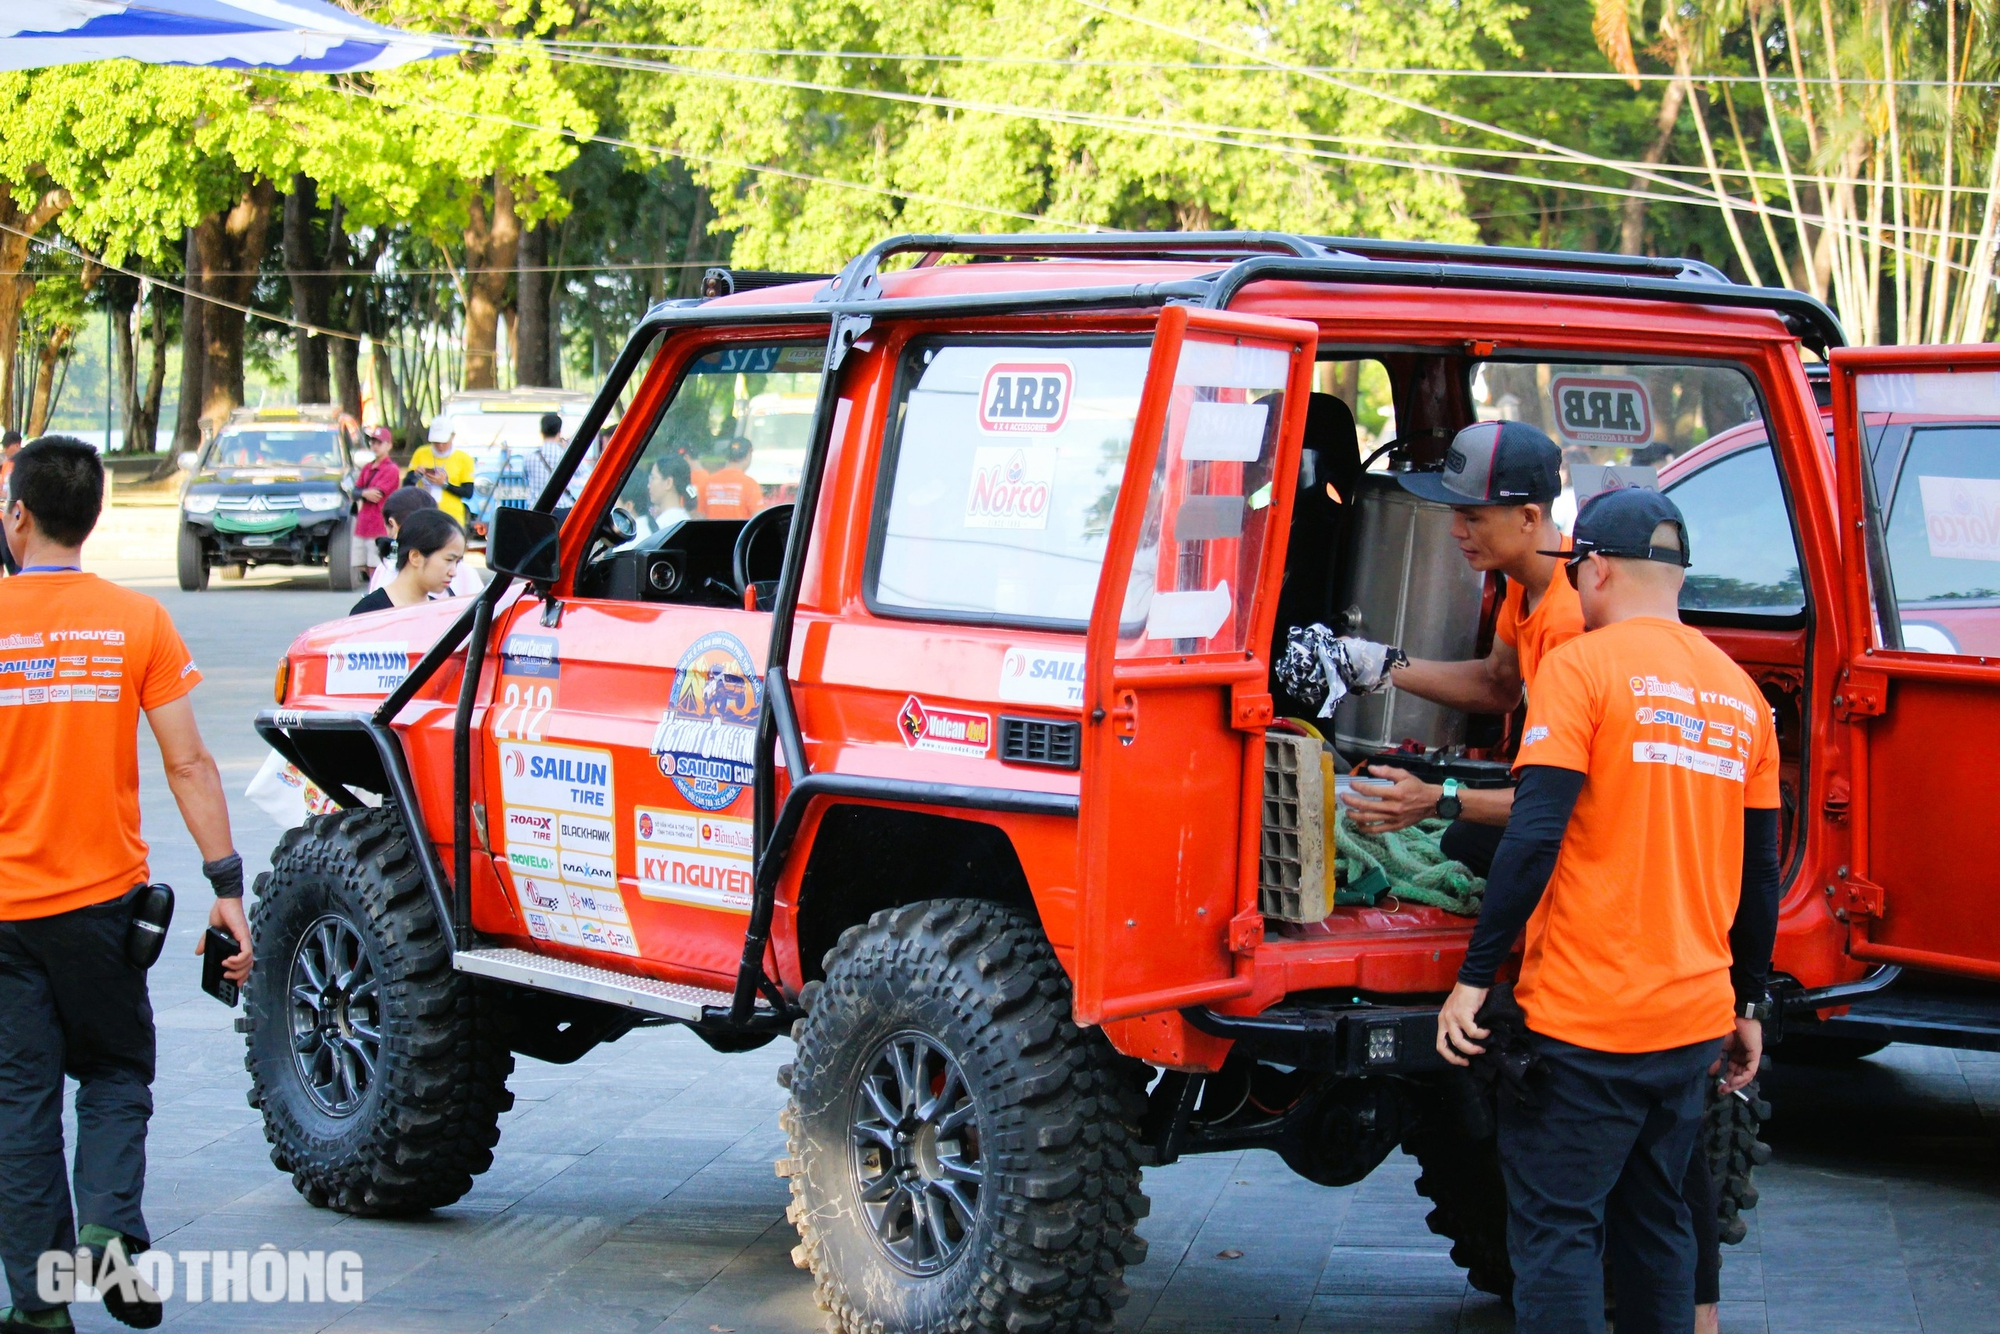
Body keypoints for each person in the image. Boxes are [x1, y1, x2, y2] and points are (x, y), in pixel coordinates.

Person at [1435, 487, 1783, 1334]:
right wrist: (1747, 1001)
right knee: (1659, 1224)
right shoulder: (1741, 696)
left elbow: (1532, 837)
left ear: (1593, 569)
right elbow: (1761, 874)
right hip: (1689, 1023)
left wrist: (1474, 980)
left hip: (1585, 1023)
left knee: (1558, 1232)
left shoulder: (1581, 670)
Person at [0, 437, 254, 1334]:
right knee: (112, 1070)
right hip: (103, 905)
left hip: (2, 919)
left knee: (17, 1102)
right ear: (93, 516)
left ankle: (38, 1308)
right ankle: (106, 1225)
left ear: (17, 514)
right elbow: (188, 763)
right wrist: (227, 885)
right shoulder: (135, 622)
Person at [1309, 420, 1578, 876]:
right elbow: (1497, 685)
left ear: (1529, 518)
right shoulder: (1528, 583)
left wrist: (1435, 801)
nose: (1455, 530)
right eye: (1455, 513)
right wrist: (1377, 663)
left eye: (1472, 517)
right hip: (1548, 801)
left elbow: (1563, 805)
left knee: (1463, 841)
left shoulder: (1571, 621)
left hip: (1584, 833)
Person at [367, 489, 482, 599]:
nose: (453, 572)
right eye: (449, 559)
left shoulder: (386, 570)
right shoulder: (466, 573)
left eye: (453, 560)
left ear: (392, 524)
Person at [350, 509, 468, 616]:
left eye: (457, 562)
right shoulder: (369, 613)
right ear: (415, 557)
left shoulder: (442, 613)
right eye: (449, 560)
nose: (454, 572)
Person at [408, 419, 475, 526]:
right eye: (435, 442)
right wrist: (416, 475)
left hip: (451, 516)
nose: (440, 446)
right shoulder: (421, 453)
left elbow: (468, 493)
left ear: (452, 437)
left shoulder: (464, 458)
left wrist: (444, 484)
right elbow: (407, 485)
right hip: (424, 514)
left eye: (444, 442)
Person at [352, 427, 401, 570]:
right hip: (363, 524)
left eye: (379, 443)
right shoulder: (367, 467)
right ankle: (371, 590)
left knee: (377, 565)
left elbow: (376, 495)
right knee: (362, 564)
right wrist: (364, 493)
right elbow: (355, 492)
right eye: (373, 442)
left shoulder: (391, 469)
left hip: (379, 525)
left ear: (389, 445)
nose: (375, 446)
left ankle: (375, 591)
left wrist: (362, 493)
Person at [694, 436, 761, 518]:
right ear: (748, 455)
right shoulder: (750, 484)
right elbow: (758, 517)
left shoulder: (708, 482)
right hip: (739, 531)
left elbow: (699, 516)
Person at [520, 412, 570, 507]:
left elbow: (525, 478)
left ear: (541, 432)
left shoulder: (529, 456)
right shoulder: (566, 454)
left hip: (538, 510)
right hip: (564, 508)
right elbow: (585, 475)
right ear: (559, 432)